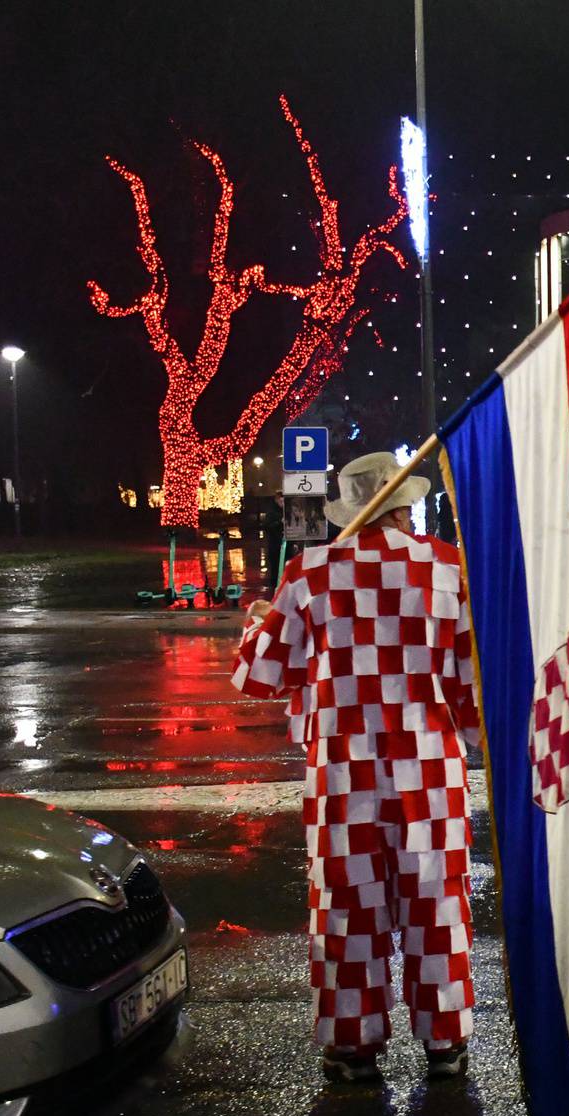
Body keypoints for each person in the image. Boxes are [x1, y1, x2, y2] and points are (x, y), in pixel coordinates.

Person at [234, 452, 480, 1082]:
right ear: (403, 508)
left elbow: (261, 676)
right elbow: (470, 688)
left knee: (348, 910)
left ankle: (353, 1045)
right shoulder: (448, 570)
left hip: (343, 776)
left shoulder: (310, 573)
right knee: (436, 907)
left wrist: (258, 624)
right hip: (427, 773)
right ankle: (445, 1041)